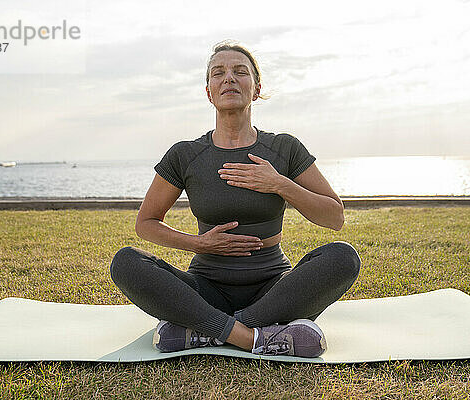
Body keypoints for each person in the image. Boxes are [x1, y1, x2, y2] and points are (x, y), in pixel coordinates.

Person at [110, 40, 361, 358]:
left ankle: (210, 331)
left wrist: (280, 184)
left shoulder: (283, 149)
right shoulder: (185, 154)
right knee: (127, 263)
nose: (229, 78)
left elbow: (334, 218)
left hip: (273, 287)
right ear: (209, 92)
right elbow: (146, 224)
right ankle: (256, 336)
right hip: (205, 288)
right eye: (218, 73)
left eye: (240, 71)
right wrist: (198, 244)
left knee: (343, 258)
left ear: (256, 89)